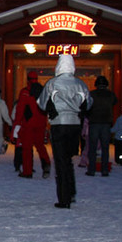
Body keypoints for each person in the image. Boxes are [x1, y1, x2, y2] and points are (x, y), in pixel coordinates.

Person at [37, 55, 91, 208]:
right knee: (68, 160)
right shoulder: (80, 84)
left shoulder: (52, 83)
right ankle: (72, 192)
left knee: (61, 162)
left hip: (59, 124)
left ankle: (64, 198)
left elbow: (41, 103)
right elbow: (88, 103)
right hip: (75, 124)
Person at [14, 76, 51, 179]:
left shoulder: (26, 94)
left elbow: (20, 111)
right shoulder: (43, 95)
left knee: (27, 148)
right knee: (40, 146)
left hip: (28, 124)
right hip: (41, 123)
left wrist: (16, 124)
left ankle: (27, 171)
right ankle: (46, 163)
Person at [85, 75, 117, 176]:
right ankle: (104, 170)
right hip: (106, 122)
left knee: (92, 147)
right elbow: (115, 102)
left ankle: (92, 169)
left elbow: (87, 106)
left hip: (94, 122)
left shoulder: (92, 94)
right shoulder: (111, 95)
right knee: (105, 148)